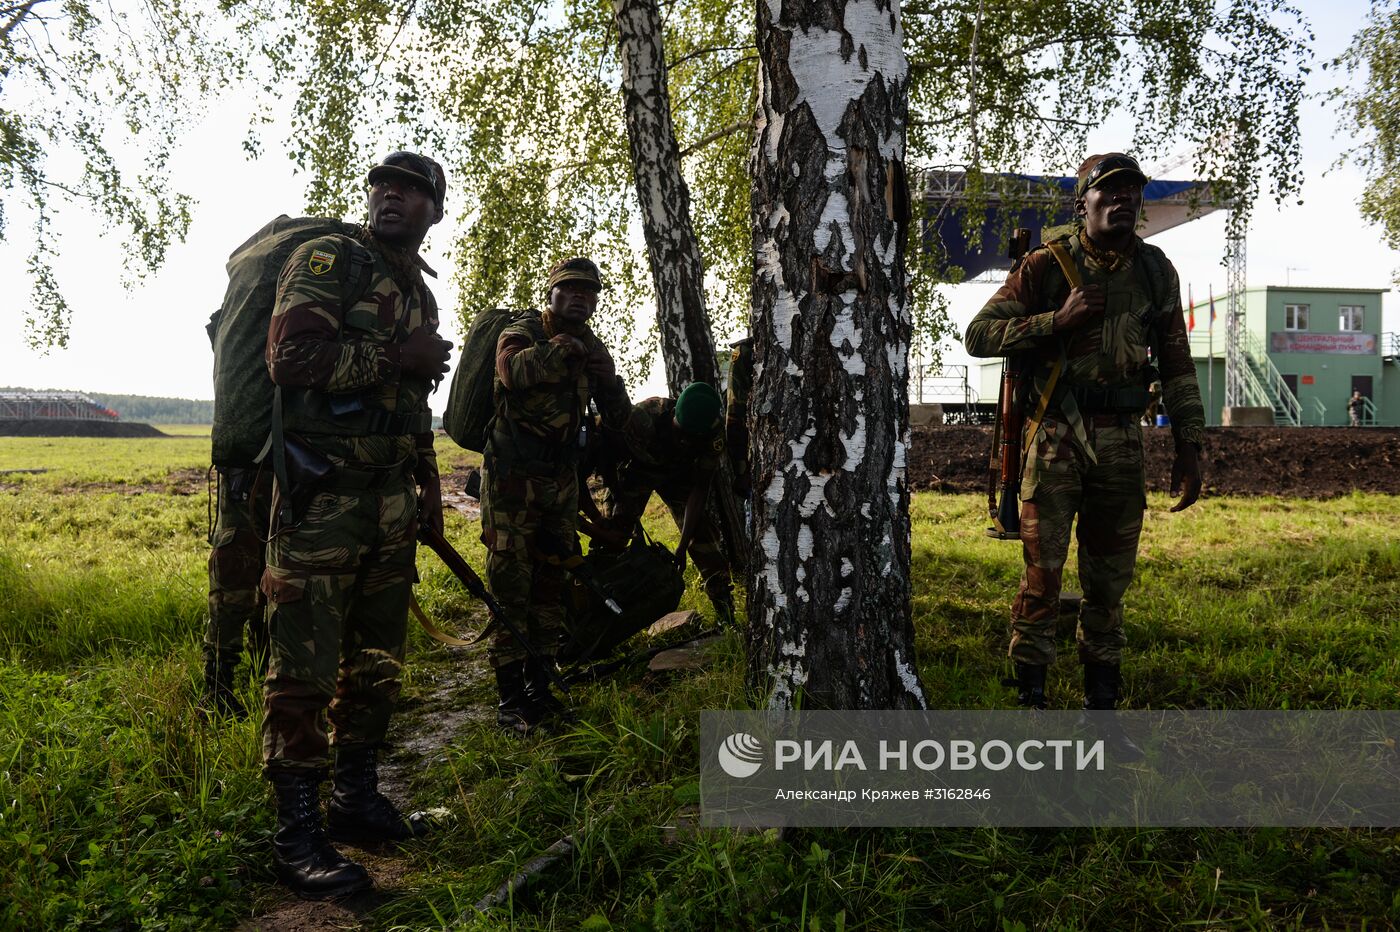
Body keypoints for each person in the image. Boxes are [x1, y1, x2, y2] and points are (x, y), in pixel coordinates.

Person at [261, 151, 454, 899]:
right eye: (383, 186)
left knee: (377, 662)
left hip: (389, 501)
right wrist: (392, 355)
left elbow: (413, 407)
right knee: (303, 670)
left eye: (411, 191)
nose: (392, 198)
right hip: (323, 503)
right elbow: (289, 357)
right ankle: (298, 834)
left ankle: (356, 797)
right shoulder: (329, 258)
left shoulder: (420, 295)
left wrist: (429, 484)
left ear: (434, 209)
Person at [964, 152, 1204, 730]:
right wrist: (1055, 321)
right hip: (1055, 441)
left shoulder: (1154, 270)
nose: (1123, 200)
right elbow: (978, 334)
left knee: (1108, 585)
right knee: (1041, 578)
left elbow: (1176, 362)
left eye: (1131, 192)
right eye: (1110, 191)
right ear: (1083, 203)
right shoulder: (1048, 266)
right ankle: (1031, 705)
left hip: (1123, 443)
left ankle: (1101, 707)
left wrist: (1191, 445)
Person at [480, 257, 631, 735]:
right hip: (512, 479)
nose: (580, 298)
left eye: (589, 292)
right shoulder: (524, 329)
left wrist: (608, 378)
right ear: (552, 293)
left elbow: (619, 417)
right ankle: (509, 698)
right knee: (511, 581)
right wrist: (558, 351)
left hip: (562, 481)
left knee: (552, 581)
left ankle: (540, 686)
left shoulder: (593, 346)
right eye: (570, 289)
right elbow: (510, 372)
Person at [583, 384, 734, 625]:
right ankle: (596, 614)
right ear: (673, 415)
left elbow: (699, 489)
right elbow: (607, 455)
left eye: (688, 438)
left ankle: (726, 613)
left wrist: (683, 546)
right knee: (612, 537)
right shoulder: (643, 416)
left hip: (678, 476)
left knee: (703, 537)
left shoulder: (713, 435)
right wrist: (619, 496)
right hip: (637, 472)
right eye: (678, 432)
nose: (681, 440)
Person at [201, 466, 272, 718]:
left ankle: (263, 674)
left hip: (262, 513)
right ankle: (217, 692)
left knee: (268, 594)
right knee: (232, 601)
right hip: (242, 511)